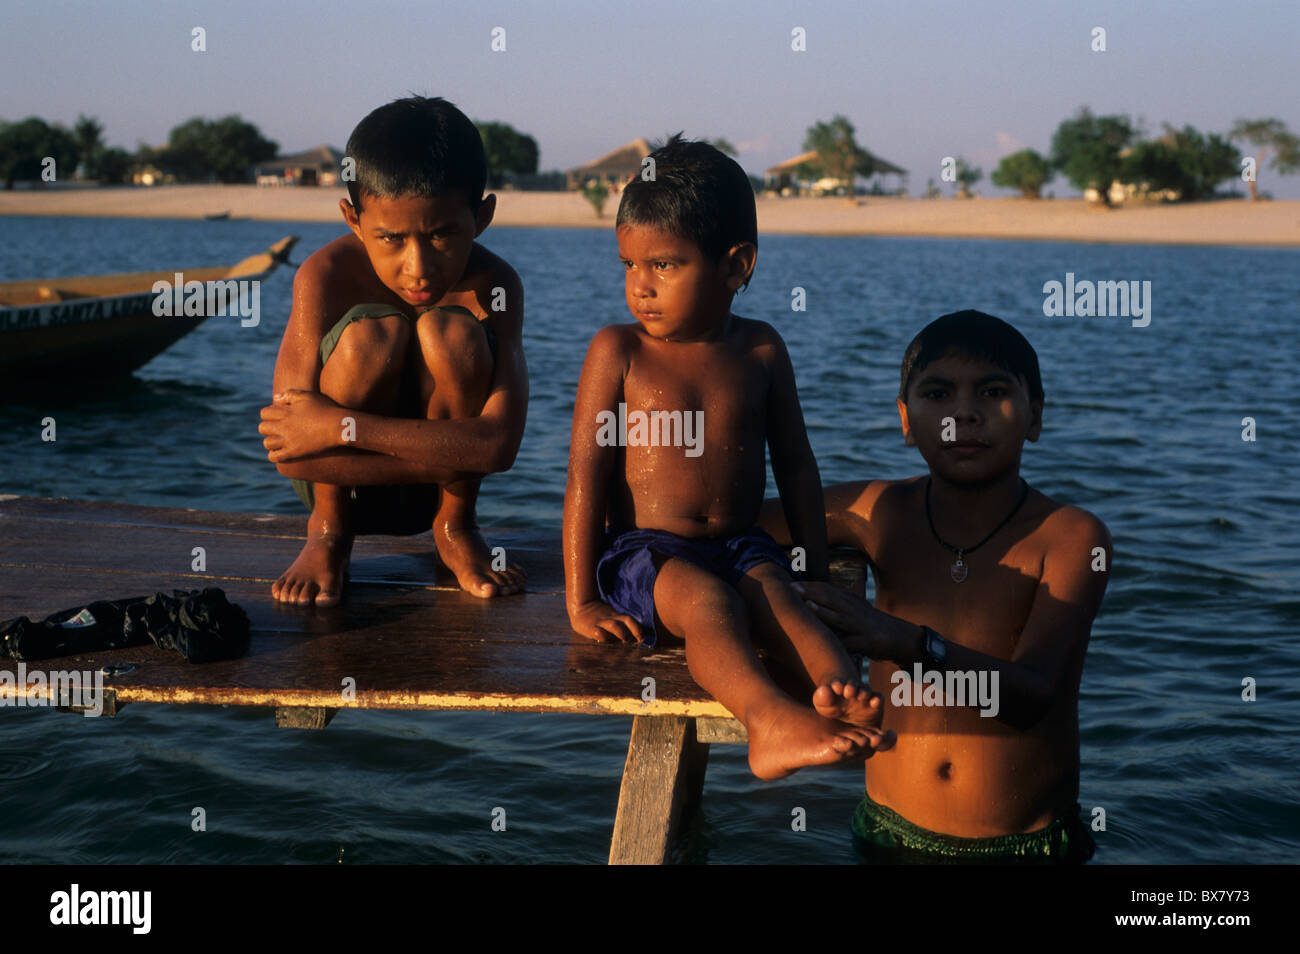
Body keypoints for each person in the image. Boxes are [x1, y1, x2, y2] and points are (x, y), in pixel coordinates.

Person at [563, 136, 892, 779]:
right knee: (711, 605)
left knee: (781, 597)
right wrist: (582, 602)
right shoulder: (618, 352)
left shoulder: (761, 351)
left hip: (742, 544)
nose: (640, 287)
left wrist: (816, 569)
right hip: (647, 555)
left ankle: (839, 694)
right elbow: (585, 476)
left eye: (664, 265)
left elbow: (796, 464)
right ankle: (768, 722)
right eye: (628, 265)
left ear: (735, 265)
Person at [765, 310, 1110, 862]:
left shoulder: (1070, 538)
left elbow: (1031, 697)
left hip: (1021, 848)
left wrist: (901, 640)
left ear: (1035, 415)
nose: (964, 414)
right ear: (905, 419)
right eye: (938, 393)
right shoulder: (880, 512)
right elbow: (728, 527)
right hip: (887, 835)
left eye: (993, 391)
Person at [258, 96, 528, 605]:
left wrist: (340, 428)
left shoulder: (495, 286)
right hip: (341, 489)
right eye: (390, 238)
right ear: (353, 219)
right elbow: (290, 457)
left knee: (454, 336)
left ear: (483, 216)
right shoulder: (325, 276)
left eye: (443, 234)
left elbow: (500, 448)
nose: (418, 266)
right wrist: (454, 455)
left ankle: (456, 527)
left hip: (406, 481)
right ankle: (329, 532)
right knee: (368, 339)